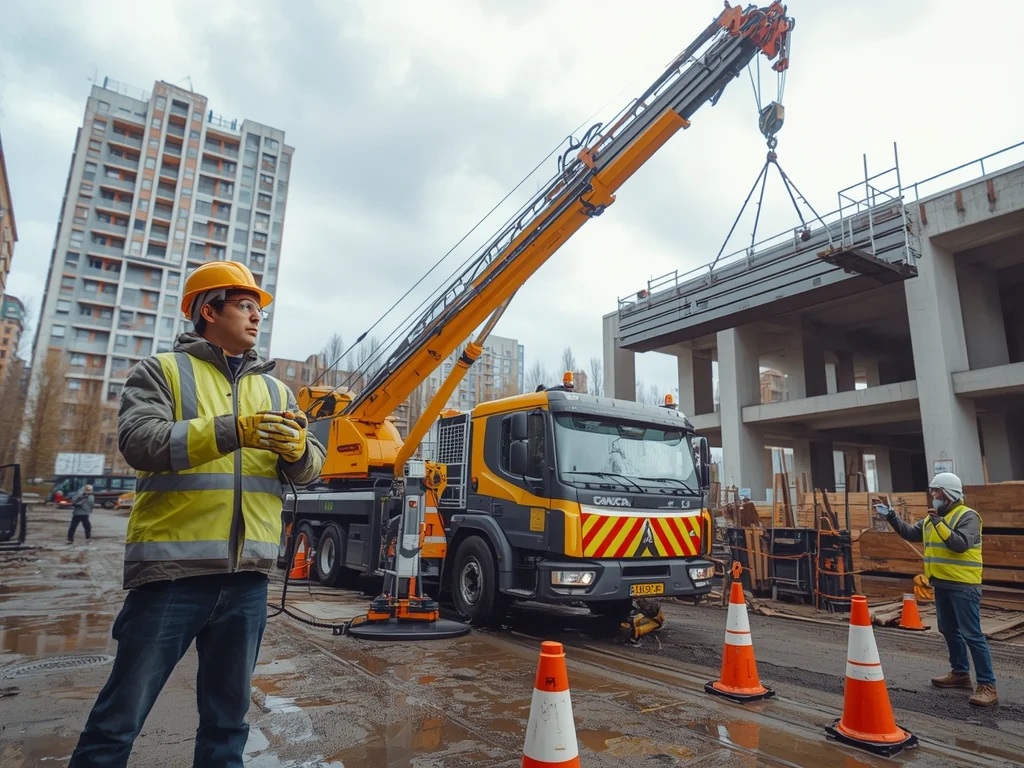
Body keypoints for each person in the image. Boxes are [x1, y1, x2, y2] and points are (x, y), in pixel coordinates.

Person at [69, 261, 327, 767]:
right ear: (208, 311)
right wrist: (236, 429)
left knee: (229, 725)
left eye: (259, 309)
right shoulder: (161, 371)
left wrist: (297, 449)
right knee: (118, 722)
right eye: (245, 306)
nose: (257, 318)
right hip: (171, 578)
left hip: (247, 581)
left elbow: (310, 471)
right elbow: (140, 442)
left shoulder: (277, 392)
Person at [874, 472, 997, 707]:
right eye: (932, 492)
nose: (933, 496)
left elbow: (960, 544)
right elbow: (911, 533)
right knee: (948, 629)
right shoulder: (932, 519)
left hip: (964, 585)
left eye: (937, 492)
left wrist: (940, 524)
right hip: (941, 584)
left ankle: (987, 685)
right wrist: (891, 516)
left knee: (972, 634)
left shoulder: (968, 517)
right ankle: (960, 673)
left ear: (949, 494)